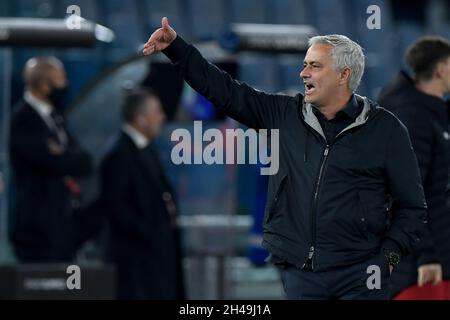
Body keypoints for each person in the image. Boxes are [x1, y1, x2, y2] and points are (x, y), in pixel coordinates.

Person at [143, 17, 427, 300]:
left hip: (363, 276)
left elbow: (412, 208)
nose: (303, 74)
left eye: (315, 66)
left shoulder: (386, 129)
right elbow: (224, 91)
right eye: (304, 65)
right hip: (301, 276)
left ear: (343, 75)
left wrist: (386, 261)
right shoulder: (283, 115)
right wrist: (177, 49)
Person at [379, 36, 450, 299]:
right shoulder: (413, 117)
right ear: (441, 69)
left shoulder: (430, 111)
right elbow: (404, 193)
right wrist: (425, 255)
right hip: (421, 269)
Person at [100, 88, 184, 300]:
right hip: (136, 264)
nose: (162, 117)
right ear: (141, 119)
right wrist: (149, 232)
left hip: (156, 259)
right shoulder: (118, 154)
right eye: (157, 112)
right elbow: (116, 208)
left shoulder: (146, 149)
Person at [9, 57, 92, 263]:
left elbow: (84, 160)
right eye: (61, 79)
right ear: (45, 85)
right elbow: (52, 162)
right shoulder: (23, 119)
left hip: (62, 225)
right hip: (36, 228)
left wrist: (62, 156)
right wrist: (62, 159)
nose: (65, 85)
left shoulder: (55, 117)